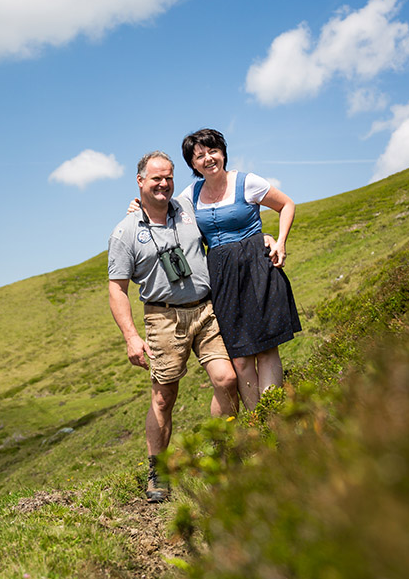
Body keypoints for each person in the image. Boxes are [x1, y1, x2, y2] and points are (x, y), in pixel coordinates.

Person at [108, 151, 238, 503]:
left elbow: (227, 215)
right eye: (155, 179)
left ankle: (224, 453)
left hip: (207, 310)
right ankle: (158, 472)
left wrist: (266, 239)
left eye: (168, 177)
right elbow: (117, 289)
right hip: (163, 318)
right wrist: (132, 337)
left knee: (227, 379)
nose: (163, 184)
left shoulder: (188, 207)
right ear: (140, 182)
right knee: (164, 398)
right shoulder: (125, 232)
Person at [177, 128, 301, 410]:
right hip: (221, 278)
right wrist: (139, 207)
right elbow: (166, 211)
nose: (208, 158)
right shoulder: (190, 195)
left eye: (213, 151)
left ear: (223, 153)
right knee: (241, 357)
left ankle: (273, 418)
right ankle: (257, 422)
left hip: (257, 267)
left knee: (267, 349)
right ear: (193, 164)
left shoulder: (247, 182)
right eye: (200, 155)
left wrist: (279, 241)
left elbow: (286, 204)